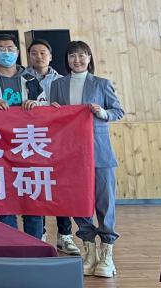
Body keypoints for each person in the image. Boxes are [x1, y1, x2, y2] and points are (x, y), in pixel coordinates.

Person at [49, 41, 123, 278]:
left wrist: (102, 112)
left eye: (82, 55)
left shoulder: (101, 83)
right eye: (72, 55)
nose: (77, 60)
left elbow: (118, 111)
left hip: (100, 152)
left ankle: (107, 254)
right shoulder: (57, 84)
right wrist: (52, 111)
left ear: (89, 58)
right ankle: (89, 252)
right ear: (67, 59)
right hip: (71, 153)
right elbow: (54, 118)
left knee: (105, 202)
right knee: (79, 202)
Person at [0, 33, 46, 240]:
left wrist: (37, 105)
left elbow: (46, 108)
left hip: (28, 147)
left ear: (17, 52)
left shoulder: (31, 80)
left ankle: (34, 245)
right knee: (4, 199)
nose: (6, 52)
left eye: (10, 49)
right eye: (1, 49)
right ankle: (10, 244)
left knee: (32, 199)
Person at [26, 39, 77, 255]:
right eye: (34, 53)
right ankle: (41, 234)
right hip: (31, 141)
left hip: (58, 141)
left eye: (43, 53)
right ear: (29, 56)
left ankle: (65, 235)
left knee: (59, 188)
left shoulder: (63, 80)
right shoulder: (22, 78)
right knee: (36, 185)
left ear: (51, 56)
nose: (39, 56)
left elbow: (71, 108)